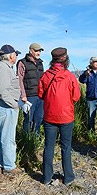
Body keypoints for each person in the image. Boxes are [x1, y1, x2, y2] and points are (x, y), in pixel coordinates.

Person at [38, 47, 81, 186]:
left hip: (50, 116)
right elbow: (76, 96)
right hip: (66, 116)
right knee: (66, 147)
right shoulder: (70, 76)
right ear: (65, 59)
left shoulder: (46, 75)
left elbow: (40, 94)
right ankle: (68, 177)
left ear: (53, 60)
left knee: (49, 146)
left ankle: (46, 178)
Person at [0, 44, 24, 174]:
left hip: (3, 105)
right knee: (8, 138)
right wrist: (15, 104)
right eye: (16, 54)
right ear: (11, 55)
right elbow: (2, 92)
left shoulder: (2, 67)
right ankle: (9, 166)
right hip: (6, 106)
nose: (16, 56)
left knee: (2, 136)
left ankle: (1, 164)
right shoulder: (3, 68)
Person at [17, 43, 44, 135]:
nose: (38, 53)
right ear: (30, 51)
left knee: (39, 119)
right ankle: (26, 140)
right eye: (36, 51)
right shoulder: (22, 62)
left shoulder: (40, 63)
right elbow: (19, 80)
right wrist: (23, 95)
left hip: (40, 96)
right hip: (29, 97)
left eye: (40, 51)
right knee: (28, 119)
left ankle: (36, 140)